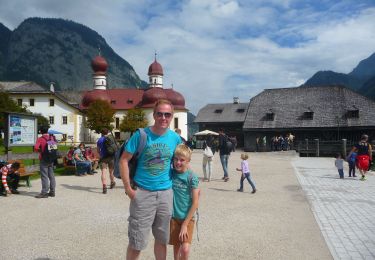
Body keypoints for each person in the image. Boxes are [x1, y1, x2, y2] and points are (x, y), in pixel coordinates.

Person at [119, 99, 182, 260]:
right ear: (154, 115)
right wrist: (128, 189)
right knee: (137, 242)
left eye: (167, 114)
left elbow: (181, 163)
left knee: (162, 239)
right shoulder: (141, 135)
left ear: (171, 116)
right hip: (143, 194)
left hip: (165, 195)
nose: (163, 118)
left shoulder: (175, 139)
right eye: (159, 114)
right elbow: (124, 160)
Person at [169, 144, 200, 260]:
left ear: (188, 161)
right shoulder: (171, 173)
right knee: (176, 247)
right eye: (176, 159)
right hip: (174, 217)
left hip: (188, 218)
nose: (178, 162)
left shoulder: (192, 177)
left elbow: (195, 202)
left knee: (185, 249)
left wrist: (185, 225)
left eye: (182, 160)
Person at [97, 128, 116, 194]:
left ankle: (104, 186)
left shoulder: (99, 140)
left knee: (103, 172)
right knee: (111, 172)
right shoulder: (111, 138)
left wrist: (100, 155)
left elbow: (98, 150)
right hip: (111, 157)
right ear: (107, 132)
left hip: (103, 158)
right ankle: (112, 182)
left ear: (101, 133)